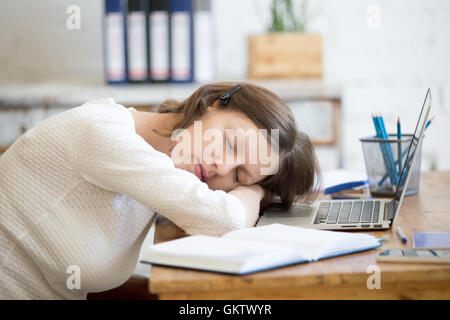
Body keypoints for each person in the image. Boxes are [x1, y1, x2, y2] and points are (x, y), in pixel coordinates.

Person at [0, 82, 319, 299]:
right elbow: (226, 219)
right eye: (230, 142)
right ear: (211, 102)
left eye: (239, 174)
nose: (223, 167)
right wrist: (255, 191)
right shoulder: (102, 133)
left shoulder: (163, 165)